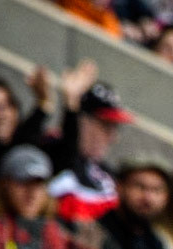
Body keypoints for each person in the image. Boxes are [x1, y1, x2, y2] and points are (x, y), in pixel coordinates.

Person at [49, 73, 132, 223]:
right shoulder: (51, 151)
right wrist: (70, 109)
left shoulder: (108, 173)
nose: (113, 138)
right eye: (106, 126)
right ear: (82, 122)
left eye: (115, 128)